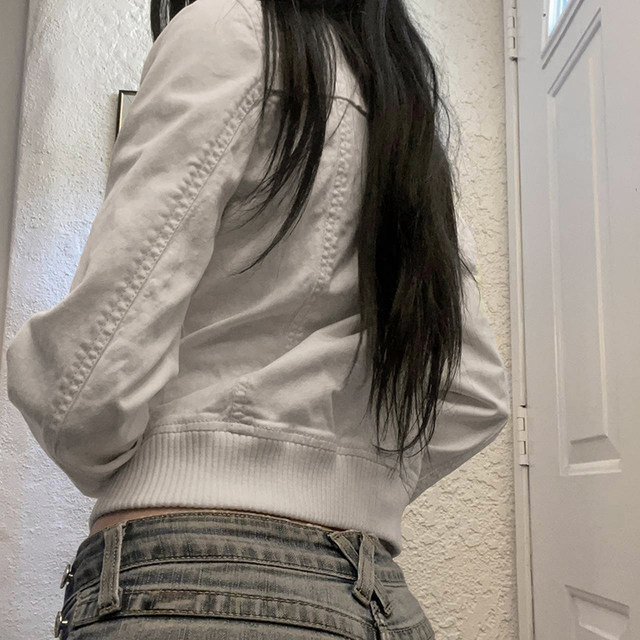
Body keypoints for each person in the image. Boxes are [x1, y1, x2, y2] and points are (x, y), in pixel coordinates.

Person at [5, 0, 511, 637]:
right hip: (379, 604)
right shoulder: (399, 103)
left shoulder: (228, 32)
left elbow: (82, 395)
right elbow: (474, 391)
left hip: (193, 590)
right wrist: (346, 472)